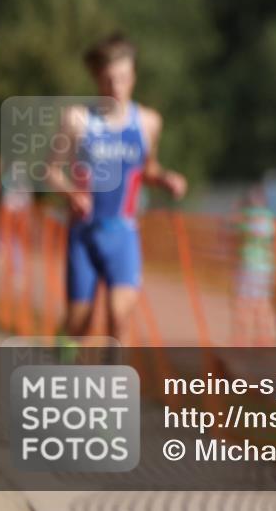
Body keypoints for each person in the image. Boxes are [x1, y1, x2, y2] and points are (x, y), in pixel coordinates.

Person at [48, 32, 186, 344]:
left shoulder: (148, 123)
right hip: (84, 234)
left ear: (134, 76)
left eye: (123, 79)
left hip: (123, 233)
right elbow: (50, 170)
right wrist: (71, 193)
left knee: (118, 316)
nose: (116, 88)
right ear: (97, 79)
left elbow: (147, 169)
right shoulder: (77, 120)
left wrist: (165, 179)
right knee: (78, 325)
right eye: (109, 80)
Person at [232, 184, 276, 346]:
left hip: (248, 266)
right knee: (263, 304)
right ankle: (265, 339)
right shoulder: (271, 218)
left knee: (243, 303)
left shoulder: (245, 216)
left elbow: (235, 229)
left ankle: (241, 340)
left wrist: (237, 210)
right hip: (266, 267)